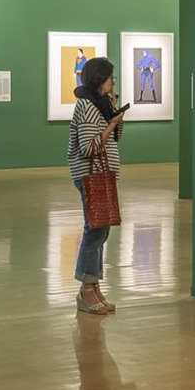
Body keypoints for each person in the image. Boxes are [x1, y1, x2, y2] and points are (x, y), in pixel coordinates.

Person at [67, 58, 128, 316]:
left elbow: (115, 138)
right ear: (99, 79)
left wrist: (115, 117)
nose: (113, 82)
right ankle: (86, 289)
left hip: (103, 174)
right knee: (94, 231)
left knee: (101, 230)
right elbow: (89, 147)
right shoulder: (87, 106)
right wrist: (112, 122)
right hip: (91, 174)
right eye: (110, 78)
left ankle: (93, 286)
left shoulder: (100, 104)